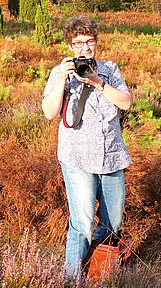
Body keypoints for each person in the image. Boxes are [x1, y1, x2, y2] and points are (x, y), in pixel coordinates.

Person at [42, 15, 132, 279]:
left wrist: (98, 82)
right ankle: (72, 279)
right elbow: (49, 113)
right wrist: (61, 80)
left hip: (111, 156)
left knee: (112, 222)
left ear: (96, 43)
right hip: (77, 157)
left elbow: (126, 102)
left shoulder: (110, 70)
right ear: (71, 46)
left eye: (89, 41)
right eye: (78, 43)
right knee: (81, 223)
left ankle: (97, 272)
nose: (84, 48)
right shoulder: (61, 74)